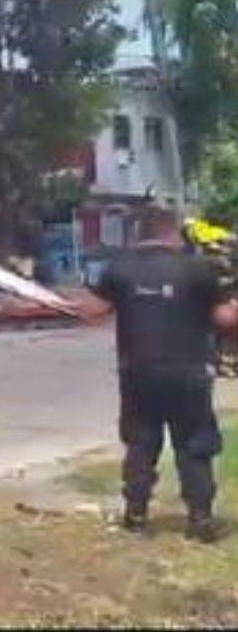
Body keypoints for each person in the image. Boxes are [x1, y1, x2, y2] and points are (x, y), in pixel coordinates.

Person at [92, 227, 238, 542]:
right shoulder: (198, 268)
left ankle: (136, 514)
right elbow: (226, 320)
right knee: (194, 443)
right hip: (188, 372)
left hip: (138, 371)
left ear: (139, 233)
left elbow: (94, 311)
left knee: (141, 441)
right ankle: (200, 519)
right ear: (173, 233)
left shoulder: (119, 268)